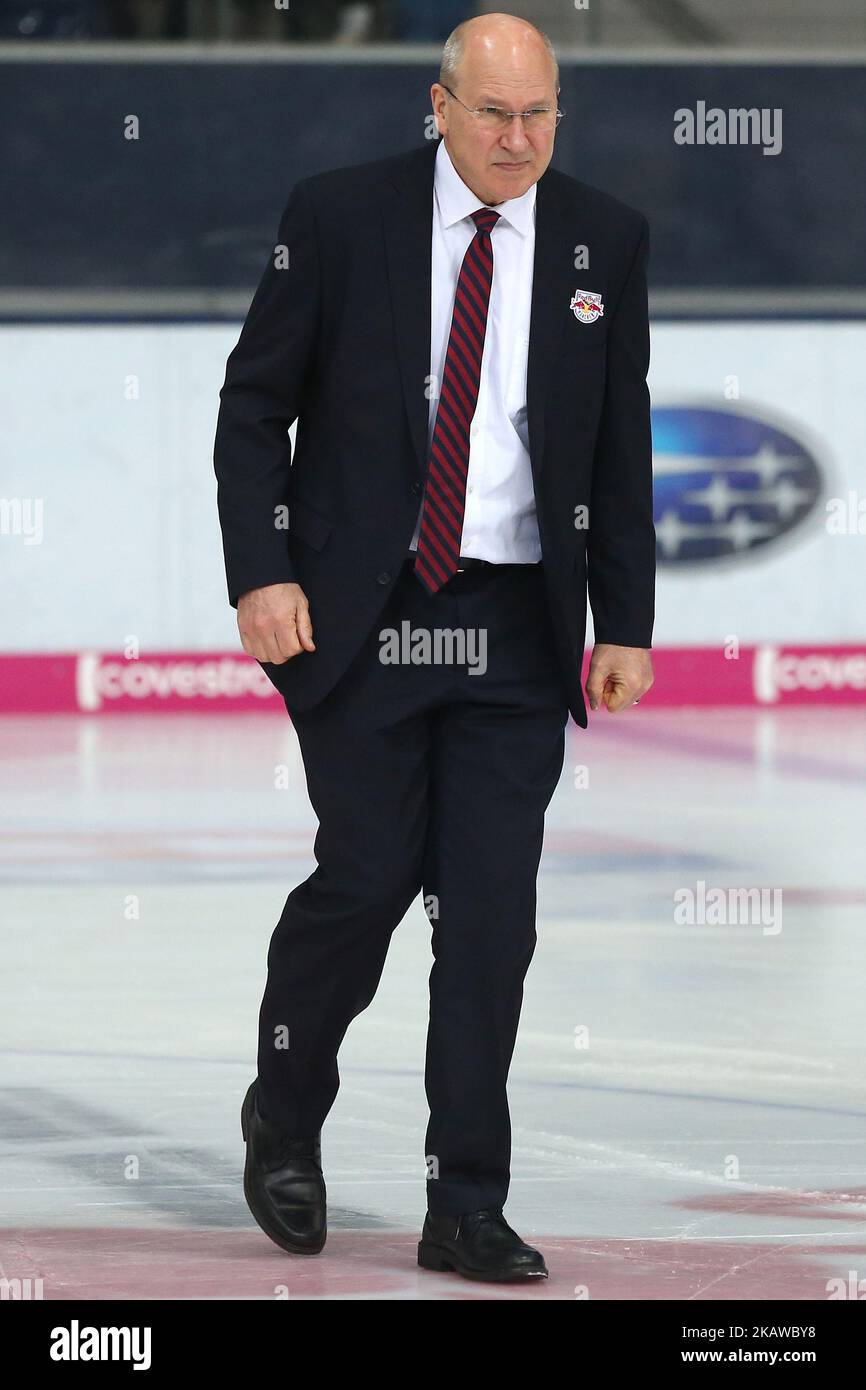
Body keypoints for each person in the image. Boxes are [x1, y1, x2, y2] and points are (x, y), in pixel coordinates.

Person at [213, 10, 655, 1284]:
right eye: (494, 113)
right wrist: (262, 571)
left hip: (515, 623)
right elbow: (255, 411)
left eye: (540, 114)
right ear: (440, 105)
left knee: (489, 920)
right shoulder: (340, 213)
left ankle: (464, 1200)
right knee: (364, 878)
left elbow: (614, 437)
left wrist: (622, 616)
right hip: (360, 615)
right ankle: (284, 1118)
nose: (519, 139)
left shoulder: (602, 237)